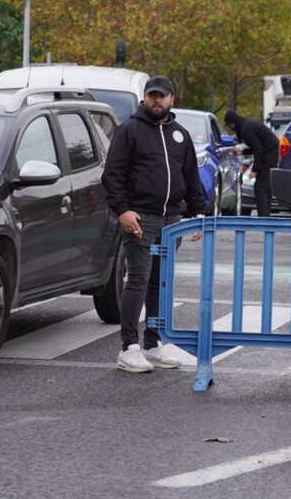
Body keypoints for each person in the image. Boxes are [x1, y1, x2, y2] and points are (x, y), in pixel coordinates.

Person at [102, 75, 205, 373]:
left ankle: (152, 343)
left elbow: (190, 177)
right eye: (151, 96)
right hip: (140, 219)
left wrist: (197, 213)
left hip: (172, 221)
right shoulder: (129, 131)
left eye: (162, 96)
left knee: (159, 282)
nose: (156, 100)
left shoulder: (180, 135)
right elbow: (113, 175)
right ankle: (128, 348)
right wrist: (122, 210)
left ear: (172, 99)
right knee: (137, 279)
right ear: (144, 98)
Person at [224, 109, 281, 217]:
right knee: (265, 187)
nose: (230, 128)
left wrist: (254, 170)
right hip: (272, 151)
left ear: (232, 123)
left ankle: (263, 218)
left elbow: (258, 150)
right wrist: (243, 152)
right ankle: (266, 216)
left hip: (269, 153)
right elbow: (257, 147)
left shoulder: (246, 129)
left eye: (229, 125)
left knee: (260, 187)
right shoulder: (247, 124)